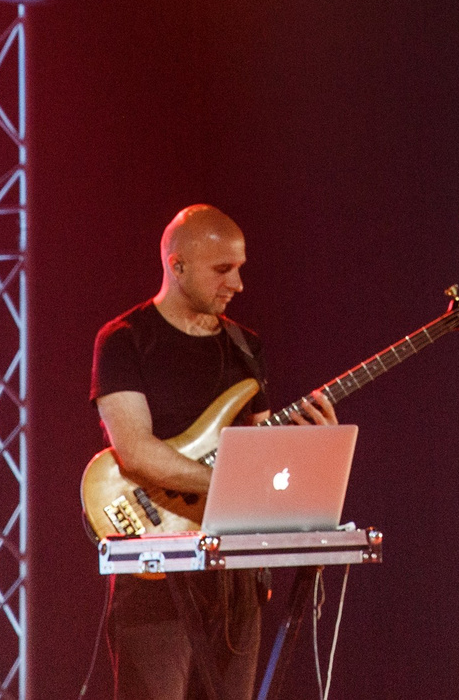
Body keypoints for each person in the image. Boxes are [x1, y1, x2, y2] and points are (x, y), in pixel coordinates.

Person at [91, 205, 338, 700]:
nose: (239, 283)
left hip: (234, 578)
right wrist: (229, 482)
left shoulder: (246, 346)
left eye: (241, 267)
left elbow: (263, 459)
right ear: (176, 266)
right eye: (223, 269)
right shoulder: (124, 341)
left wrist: (313, 445)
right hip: (154, 570)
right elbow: (135, 452)